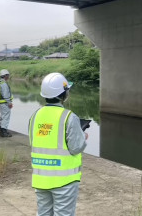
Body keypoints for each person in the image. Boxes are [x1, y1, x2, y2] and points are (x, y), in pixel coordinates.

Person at [28, 72, 88, 216]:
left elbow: (34, 142)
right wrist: (83, 136)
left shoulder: (35, 116)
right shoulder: (69, 117)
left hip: (41, 179)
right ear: (64, 94)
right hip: (64, 180)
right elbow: (76, 148)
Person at [0, 69, 13, 138]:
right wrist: (9, 102)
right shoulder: (4, 84)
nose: (9, 76)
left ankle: (2, 131)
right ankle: (4, 132)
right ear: (5, 75)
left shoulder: (1, 83)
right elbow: (5, 94)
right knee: (6, 117)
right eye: (8, 75)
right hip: (5, 103)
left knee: (3, 116)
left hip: (2, 103)